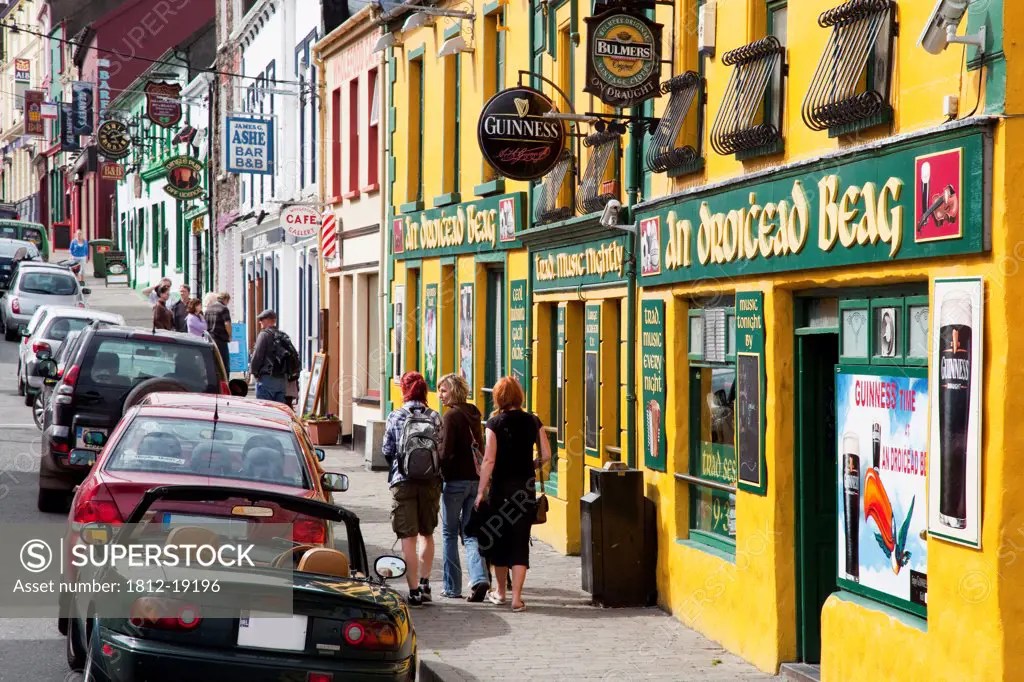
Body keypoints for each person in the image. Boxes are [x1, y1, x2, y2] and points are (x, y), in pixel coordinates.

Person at [474, 376, 551, 612]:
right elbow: (547, 454)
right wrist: (532, 465)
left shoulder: (494, 423)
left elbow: (488, 460)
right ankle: (517, 598)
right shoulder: (533, 421)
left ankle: (500, 592)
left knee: (499, 542)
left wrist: (480, 492)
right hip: (525, 492)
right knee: (520, 543)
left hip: (501, 492)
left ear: (498, 397)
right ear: (519, 396)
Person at [381, 372, 443, 607]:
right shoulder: (435, 416)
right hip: (430, 482)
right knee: (427, 533)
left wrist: (399, 467)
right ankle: (426, 583)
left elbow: (386, 449)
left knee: (409, 537)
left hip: (403, 481)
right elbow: (442, 449)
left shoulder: (396, 416)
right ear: (425, 392)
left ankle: (414, 590)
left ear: (404, 390)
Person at [437, 373, 489, 602]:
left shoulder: (451, 417)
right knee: (470, 533)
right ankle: (479, 578)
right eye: (439, 390)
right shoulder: (474, 413)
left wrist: (436, 462)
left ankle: (452, 587)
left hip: (455, 482)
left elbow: (445, 452)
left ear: (454, 391)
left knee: (448, 534)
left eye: (444, 390)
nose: (440, 394)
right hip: (475, 481)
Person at [249, 309, 295, 404]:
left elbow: (257, 356)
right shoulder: (283, 335)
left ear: (269, 320)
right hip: (281, 380)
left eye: (262, 319)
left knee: (265, 411)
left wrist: (253, 372)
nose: (260, 322)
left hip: (266, 378)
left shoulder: (264, 335)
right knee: (278, 410)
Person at [205, 292, 232, 371]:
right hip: (220, 339)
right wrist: (230, 335)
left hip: (209, 339)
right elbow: (227, 323)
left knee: (213, 362)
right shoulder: (224, 308)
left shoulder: (208, 309)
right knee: (224, 363)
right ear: (226, 299)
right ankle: (225, 381)